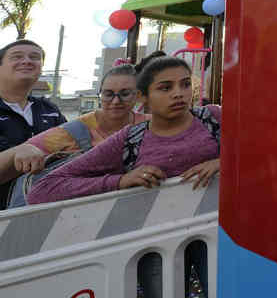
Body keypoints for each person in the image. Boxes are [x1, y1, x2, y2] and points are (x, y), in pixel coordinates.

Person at [27, 56, 221, 204]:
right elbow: (42, 190)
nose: (179, 93)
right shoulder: (130, 139)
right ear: (142, 96)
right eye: (165, 88)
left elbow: (252, 150)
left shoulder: (213, 118)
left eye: (185, 84)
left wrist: (225, 163)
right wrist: (119, 181)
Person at [3, 64, 150, 187]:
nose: (116, 101)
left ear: (138, 95)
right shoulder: (74, 132)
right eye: (108, 94)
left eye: (125, 94)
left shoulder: (153, 125)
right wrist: (24, 149)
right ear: (100, 94)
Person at [0, 40, 65, 209]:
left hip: (45, 211)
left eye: (35, 57)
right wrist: (19, 151)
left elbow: (70, 151)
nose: (27, 61)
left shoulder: (49, 109)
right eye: (17, 56)